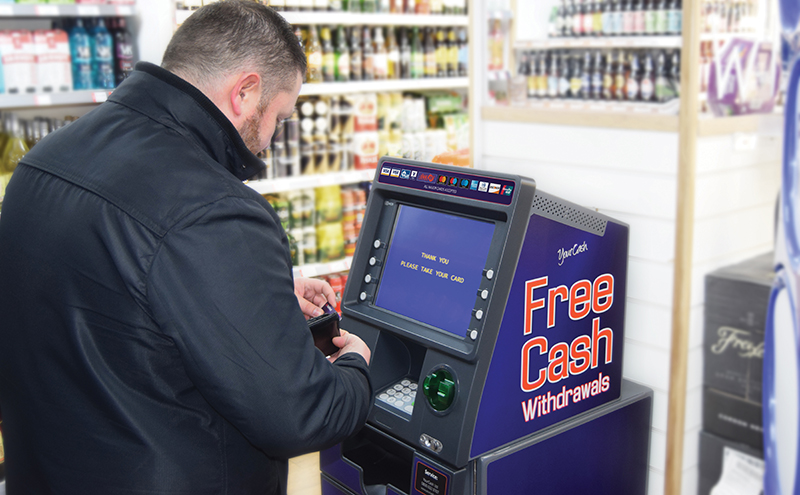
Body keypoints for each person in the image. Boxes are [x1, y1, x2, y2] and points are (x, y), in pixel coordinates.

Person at [0, 2, 372, 494]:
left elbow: (110, 297)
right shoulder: (215, 209)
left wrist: (256, 294)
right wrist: (358, 367)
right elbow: (301, 415)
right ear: (245, 91)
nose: (270, 140)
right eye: (278, 117)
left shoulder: (45, 160)